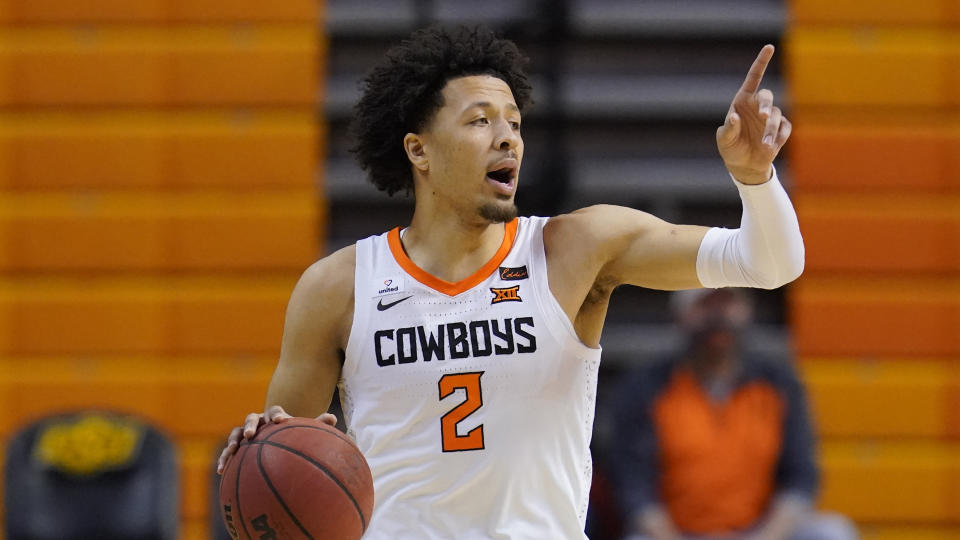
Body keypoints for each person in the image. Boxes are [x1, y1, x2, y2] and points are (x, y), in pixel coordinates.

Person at [216, 25, 805, 539]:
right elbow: (283, 480)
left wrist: (755, 179)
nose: (507, 138)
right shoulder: (338, 287)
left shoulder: (576, 248)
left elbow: (769, 265)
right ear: (419, 151)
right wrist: (261, 446)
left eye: (514, 123)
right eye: (479, 121)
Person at [610, 289, 857, 540]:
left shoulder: (778, 383)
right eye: (706, 305)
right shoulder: (645, 389)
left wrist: (767, 536)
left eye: (727, 304)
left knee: (833, 533)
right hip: (676, 534)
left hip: (762, 533)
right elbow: (633, 488)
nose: (718, 317)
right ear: (681, 314)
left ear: (746, 310)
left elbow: (801, 478)